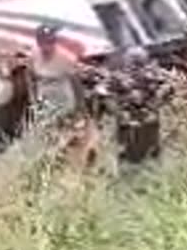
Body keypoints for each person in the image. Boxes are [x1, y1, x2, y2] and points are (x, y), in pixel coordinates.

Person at [27, 23, 97, 166]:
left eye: (50, 42)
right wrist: (34, 99)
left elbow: (76, 84)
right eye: (43, 42)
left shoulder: (66, 58)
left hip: (63, 100)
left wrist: (80, 106)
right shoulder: (34, 55)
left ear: (54, 41)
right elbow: (31, 77)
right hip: (44, 99)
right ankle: (54, 161)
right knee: (47, 134)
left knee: (67, 133)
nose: (46, 47)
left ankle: (75, 159)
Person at [107, 46, 174, 165]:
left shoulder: (120, 78)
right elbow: (169, 87)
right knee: (146, 152)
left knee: (140, 152)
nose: (135, 67)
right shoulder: (152, 75)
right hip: (138, 122)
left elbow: (169, 88)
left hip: (136, 122)